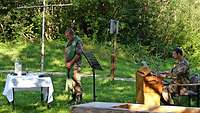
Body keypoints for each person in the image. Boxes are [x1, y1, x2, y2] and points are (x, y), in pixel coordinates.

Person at [64, 28, 83, 104]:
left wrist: (70, 63)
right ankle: (73, 97)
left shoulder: (78, 41)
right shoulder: (69, 41)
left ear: (72, 34)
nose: (67, 37)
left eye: (68, 36)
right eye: (66, 36)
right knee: (71, 82)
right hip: (69, 65)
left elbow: (78, 54)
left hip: (75, 65)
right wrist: (66, 62)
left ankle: (78, 98)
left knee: (76, 81)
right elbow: (66, 51)